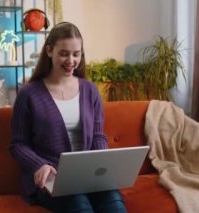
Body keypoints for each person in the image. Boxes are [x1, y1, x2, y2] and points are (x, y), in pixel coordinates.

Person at [9, 22, 127, 213]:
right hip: (51, 177)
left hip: (88, 175)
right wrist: (39, 165)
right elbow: (18, 144)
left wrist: (101, 164)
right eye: (64, 53)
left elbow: (98, 136)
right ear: (49, 51)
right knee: (80, 205)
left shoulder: (90, 91)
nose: (71, 60)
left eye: (76, 54)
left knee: (114, 203)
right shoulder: (28, 94)